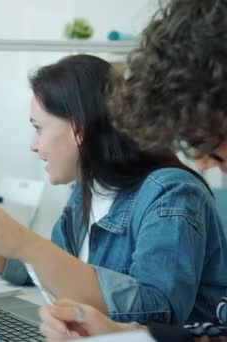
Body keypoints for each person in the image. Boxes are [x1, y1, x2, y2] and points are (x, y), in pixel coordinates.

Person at [0, 54, 227, 325]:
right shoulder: (89, 190)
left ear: (79, 129)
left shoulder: (171, 193)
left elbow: (159, 312)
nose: (33, 145)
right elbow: (50, 271)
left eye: (39, 128)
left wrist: (26, 242)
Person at [38, 0, 227, 341]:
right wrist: (119, 334)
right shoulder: (84, 194)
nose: (202, 163)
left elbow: (162, 307)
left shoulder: (170, 191)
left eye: (213, 143)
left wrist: (23, 246)